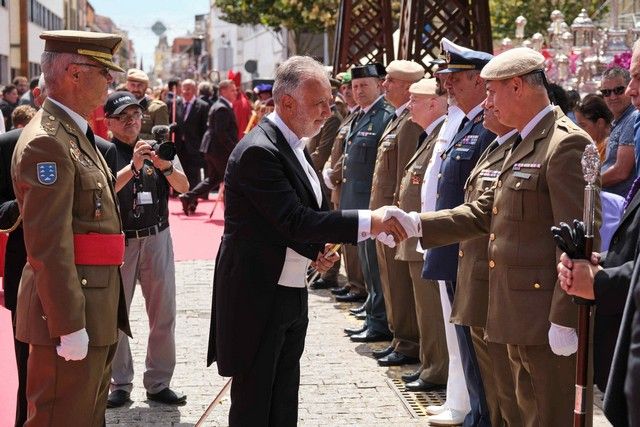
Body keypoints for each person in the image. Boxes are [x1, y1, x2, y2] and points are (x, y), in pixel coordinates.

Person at [389, 47, 596, 427]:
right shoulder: (520, 142)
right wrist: (417, 223)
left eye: (492, 91)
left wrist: (565, 319)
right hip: (511, 311)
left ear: (517, 86)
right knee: (518, 414)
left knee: (547, 417)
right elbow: (485, 212)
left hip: (542, 319)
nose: (487, 102)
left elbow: (579, 242)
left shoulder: (565, 144)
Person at [206, 55, 407, 427]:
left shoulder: (292, 142)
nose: (328, 111)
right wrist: (371, 221)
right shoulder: (258, 151)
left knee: (282, 398)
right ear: (286, 103)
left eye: (330, 101)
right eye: (319, 103)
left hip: (288, 289)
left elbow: (290, 219)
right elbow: (295, 220)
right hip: (258, 294)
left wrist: (314, 251)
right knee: (254, 404)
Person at [11, 29, 130, 426]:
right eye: (103, 71)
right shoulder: (48, 142)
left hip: (94, 307)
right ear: (74, 73)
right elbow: (49, 244)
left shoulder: (75, 134)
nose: (110, 81)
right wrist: (69, 325)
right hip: (71, 315)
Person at [101, 91, 189, 408]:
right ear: (108, 121)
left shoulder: (156, 148)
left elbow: (184, 186)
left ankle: (159, 382)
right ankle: (119, 383)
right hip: (121, 240)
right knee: (116, 316)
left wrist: (164, 165)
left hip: (157, 237)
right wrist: (133, 165)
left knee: (163, 313)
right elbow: (106, 188)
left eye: (136, 115)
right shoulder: (104, 150)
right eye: (123, 117)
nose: (131, 122)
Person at [453, 104, 522, 427]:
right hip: (478, 273)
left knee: (507, 386)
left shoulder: (518, 147)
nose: (485, 111)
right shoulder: (496, 145)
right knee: (492, 380)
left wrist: (418, 225)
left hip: (498, 279)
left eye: (493, 102)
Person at [369, 59, 425, 367]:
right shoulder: (398, 118)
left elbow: (406, 173)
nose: (385, 85)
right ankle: (398, 337)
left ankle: (407, 342)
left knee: (399, 284)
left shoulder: (408, 123)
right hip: (382, 216)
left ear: (406, 86)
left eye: (391, 81)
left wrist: (393, 217)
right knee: (389, 281)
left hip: (394, 218)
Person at [395, 77, 449, 392]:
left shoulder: (441, 134)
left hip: (426, 233)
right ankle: (430, 364)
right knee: (423, 307)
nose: (410, 105)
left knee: (430, 307)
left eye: (416, 100)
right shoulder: (429, 134)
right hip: (416, 233)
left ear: (433, 103)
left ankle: (436, 368)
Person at [340, 63, 396, 341]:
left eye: (364, 85)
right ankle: (373, 312)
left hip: (371, 203)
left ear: (380, 85)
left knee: (375, 263)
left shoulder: (385, 115)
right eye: (355, 86)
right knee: (366, 262)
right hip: (356, 201)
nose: (358, 91)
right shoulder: (361, 116)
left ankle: (380, 321)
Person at [179, 79, 238, 214]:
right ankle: (231, 213)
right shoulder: (222, 108)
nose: (235, 93)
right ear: (223, 91)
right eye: (232, 90)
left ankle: (188, 197)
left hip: (213, 149)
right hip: (218, 151)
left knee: (213, 179)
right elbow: (221, 133)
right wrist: (235, 149)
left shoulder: (220, 105)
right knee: (230, 179)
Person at [600, 67, 637, 196]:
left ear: (629, 89)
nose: (613, 96)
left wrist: (588, 184)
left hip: (619, 206)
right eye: (606, 92)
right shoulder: (621, 120)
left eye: (618, 90)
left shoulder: (632, 118)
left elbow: (621, 172)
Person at [172, 79, 209, 191]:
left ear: (194, 90)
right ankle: (182, 195)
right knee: (180, 172)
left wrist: (203, 148)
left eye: (188, 88)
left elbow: (205, 129)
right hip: (178, 147)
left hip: (195, 147)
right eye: (183, 88)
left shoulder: (203, 106)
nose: (185, 91)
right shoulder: (175, 104)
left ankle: (192, 199)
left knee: (194, 175)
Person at [125, 68, 170, 141]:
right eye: (132, 85)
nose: (136, 89)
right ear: (127, 85)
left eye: (140, 85)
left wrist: (130, 135)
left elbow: (163, 138)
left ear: (146, 87)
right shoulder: (121, 105)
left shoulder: (158, 108)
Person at [575, 94, 613, 162]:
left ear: (600, 123)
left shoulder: (609, 147)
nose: (579, 130)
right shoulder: (595, 145)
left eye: (583, 125)